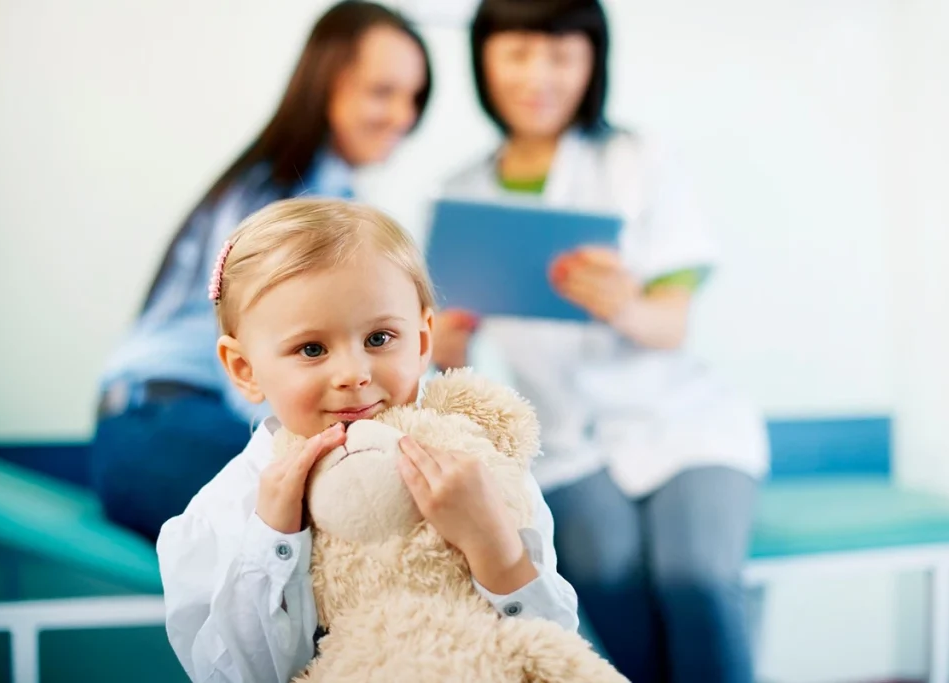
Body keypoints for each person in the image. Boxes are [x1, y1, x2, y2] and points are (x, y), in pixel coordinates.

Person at [432, 1, 770, 682]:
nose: (539, 75)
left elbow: (672, 323)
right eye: (518, 52)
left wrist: (625, 304)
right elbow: (449, 363)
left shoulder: (638, 159)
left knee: (696, 576)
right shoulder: (462, 193)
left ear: (593, 62)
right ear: (484, 59)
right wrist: (445, 339)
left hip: (687, 425)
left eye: (562, 54)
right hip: (565, 442)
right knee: (603, 580)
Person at [156, 198, 578, 683]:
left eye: (379, 339)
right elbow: (236, 676)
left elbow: (556, 650)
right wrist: (273, 538)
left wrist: (493, 546)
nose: (354, 374)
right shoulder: (225, 511)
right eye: (311, 349)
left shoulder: (481, 469)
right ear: (245, 369)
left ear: (422, 341)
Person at [91, 1, 433, 541]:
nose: (403, 116)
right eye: (382, 92)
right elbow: (266, 370)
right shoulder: (281, 201)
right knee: (366, 505)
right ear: (326, 85)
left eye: (412, 97)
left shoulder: (327, 197)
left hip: (165, 424)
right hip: (159, 428)